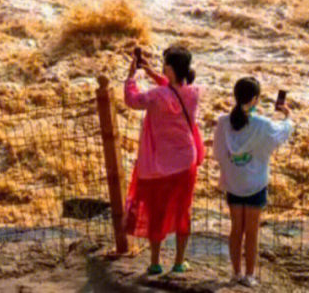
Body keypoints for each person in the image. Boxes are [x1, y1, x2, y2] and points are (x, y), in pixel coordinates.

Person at [123, 43, 203, 278]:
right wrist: (149, 71)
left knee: (156, 211)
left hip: (159, 165)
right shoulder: (193, 93)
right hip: (186, 161)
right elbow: (173, 89)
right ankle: (179, 262)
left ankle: (155, 263)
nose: (162, 65)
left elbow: (132, 99)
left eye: (164, 63)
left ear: (170, 68)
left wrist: (131, 75)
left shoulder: (156, 96)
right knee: (182, 210)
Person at [213, 77, 293, 287]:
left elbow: (218, 153)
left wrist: (231, 171)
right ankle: (249, 276)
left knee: (235, 230)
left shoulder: (223, 121)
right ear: (256, 99)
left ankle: (236, 273)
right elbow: (281, 134)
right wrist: (287, 114)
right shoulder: (262, 124)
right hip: (256, 184)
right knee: (252, 232)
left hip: (233, 183)